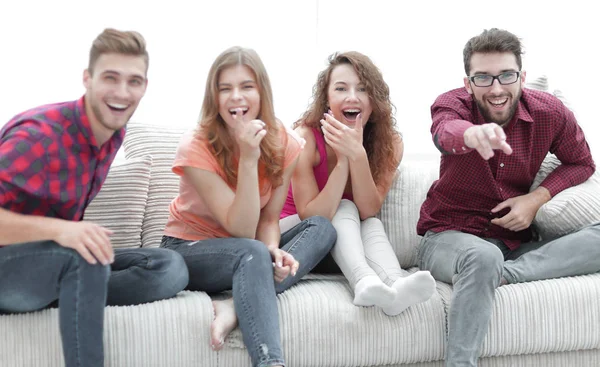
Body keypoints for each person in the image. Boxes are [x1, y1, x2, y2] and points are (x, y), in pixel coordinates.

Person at [0, 28, 189, 367]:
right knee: (85, 257)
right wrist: (61, 231)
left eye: (134, 81)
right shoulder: (39, 137)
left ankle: (73, 292)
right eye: (110, 78)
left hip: (47, 266)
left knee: (168, 267)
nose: (121, 92)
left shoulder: (113, 132)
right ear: (87, 79)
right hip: (6, 271)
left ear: (145, 86)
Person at [417, 28, 600, 367]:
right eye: (483, 78)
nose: (496, 88)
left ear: (522, 76)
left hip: (514, 245)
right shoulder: (451, 104)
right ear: (468, 83)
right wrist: (472, 134)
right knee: (482, 257)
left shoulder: (550, 113)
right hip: (447, 239)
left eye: (506, 75)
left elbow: (582, 162)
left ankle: (502, 273)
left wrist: (536, 200)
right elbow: (445, 132)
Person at [160, 46, 336, 367]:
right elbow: (239, 229)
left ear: (261, 92)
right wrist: (249, 158)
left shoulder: (282, 140)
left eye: (246, 87)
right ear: (214, 97)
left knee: (322, 228)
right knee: (250, 251)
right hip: (190, 249)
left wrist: (272, 250)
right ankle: (270, 362)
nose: (235, 97)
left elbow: (268, 219)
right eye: (225, 89)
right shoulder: (196, 146)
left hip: (247, 254)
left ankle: (233, 304)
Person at [280, 51, 436, 316]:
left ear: (373, 101)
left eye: (362, 89)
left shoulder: (390, 144)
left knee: (368, 220)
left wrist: (358, 155)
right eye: (341, 89)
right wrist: (342, 161)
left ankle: (395, 286)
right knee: (343, 207)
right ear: (327, 99)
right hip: (298, 242)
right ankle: (363, 279)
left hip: (340, 251)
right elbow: (312, 216)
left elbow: (368, 210)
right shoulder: (305, 138)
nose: (352, 96)